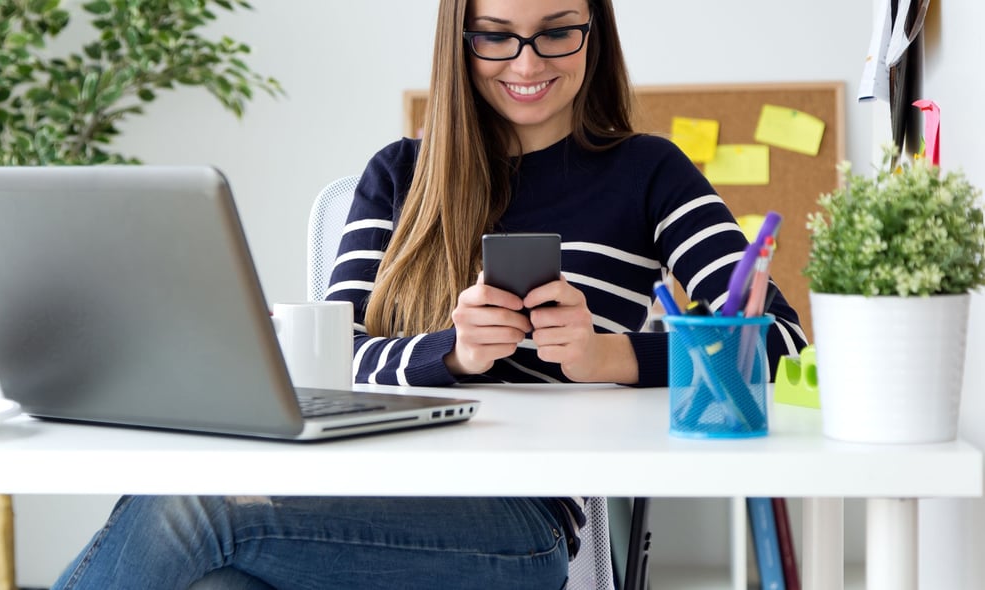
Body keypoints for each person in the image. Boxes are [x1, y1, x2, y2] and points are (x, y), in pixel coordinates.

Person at [52, 0, 808, 588]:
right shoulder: (398, 175)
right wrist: (455, 354)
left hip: (518, 525)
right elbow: (334, 357)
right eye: (495, 35)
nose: (526, 60)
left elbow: (780, 341)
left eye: (556, 32)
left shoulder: (648, 173)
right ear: (460, 41)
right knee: (213, 575)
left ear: (594, 34)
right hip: (357, 492)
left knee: (192, 507)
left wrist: (602, 355)